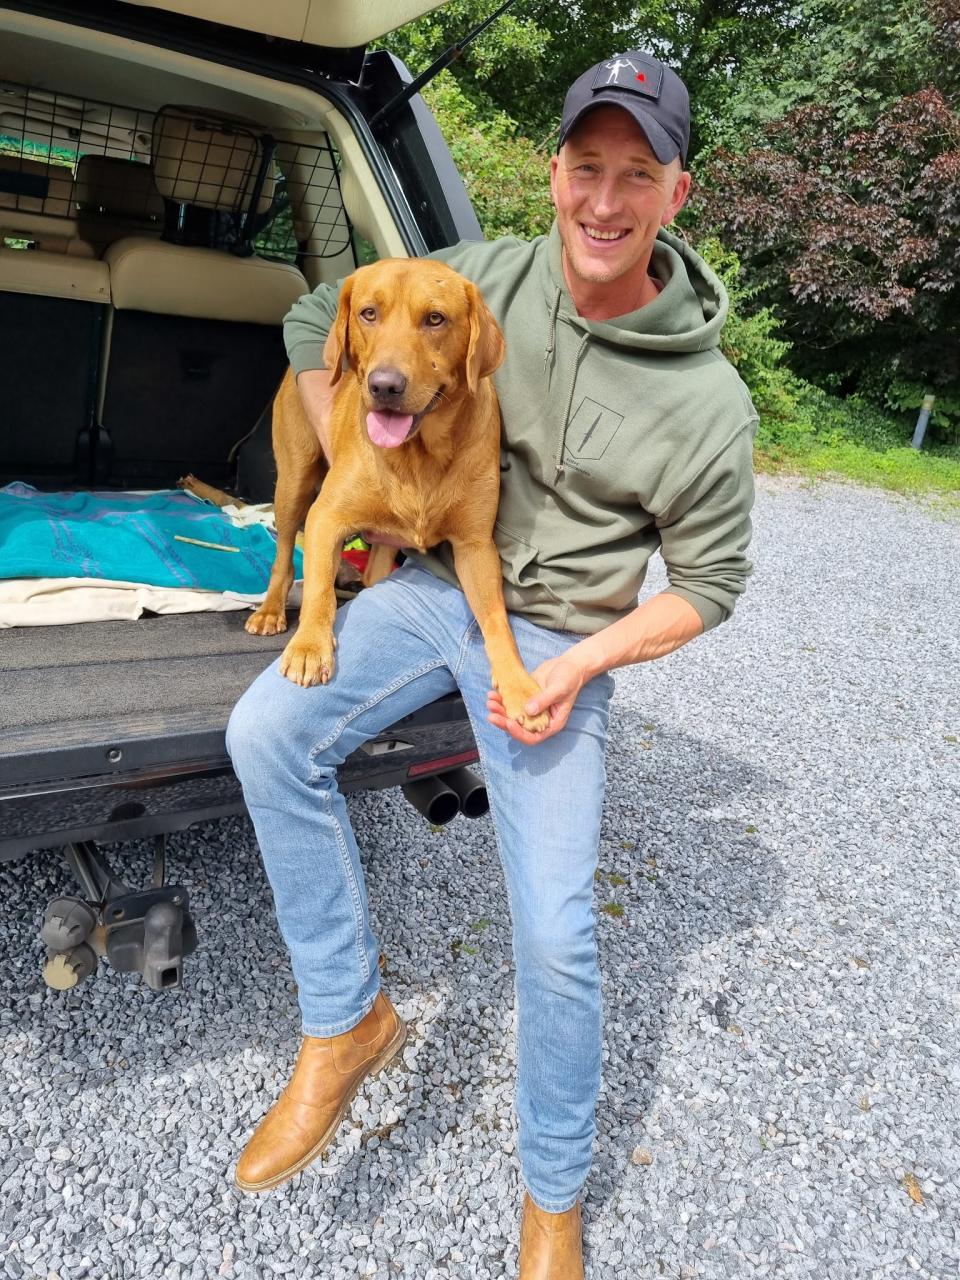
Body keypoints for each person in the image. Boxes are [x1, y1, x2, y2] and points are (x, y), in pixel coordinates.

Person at [226, 50, 756, 1279]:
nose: (605, 201)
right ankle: (348, 1016)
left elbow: (711, 589)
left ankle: (554, 1198)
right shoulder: (485, 275)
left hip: (561, 638)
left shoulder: (711, 402)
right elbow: (324, 315)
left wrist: (580, 668)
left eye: (638, 174)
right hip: (424, 592)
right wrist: (347, 427)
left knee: (561, 932)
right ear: (556, 172)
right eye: (586, 168)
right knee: (266, 733)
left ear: (677, 193)